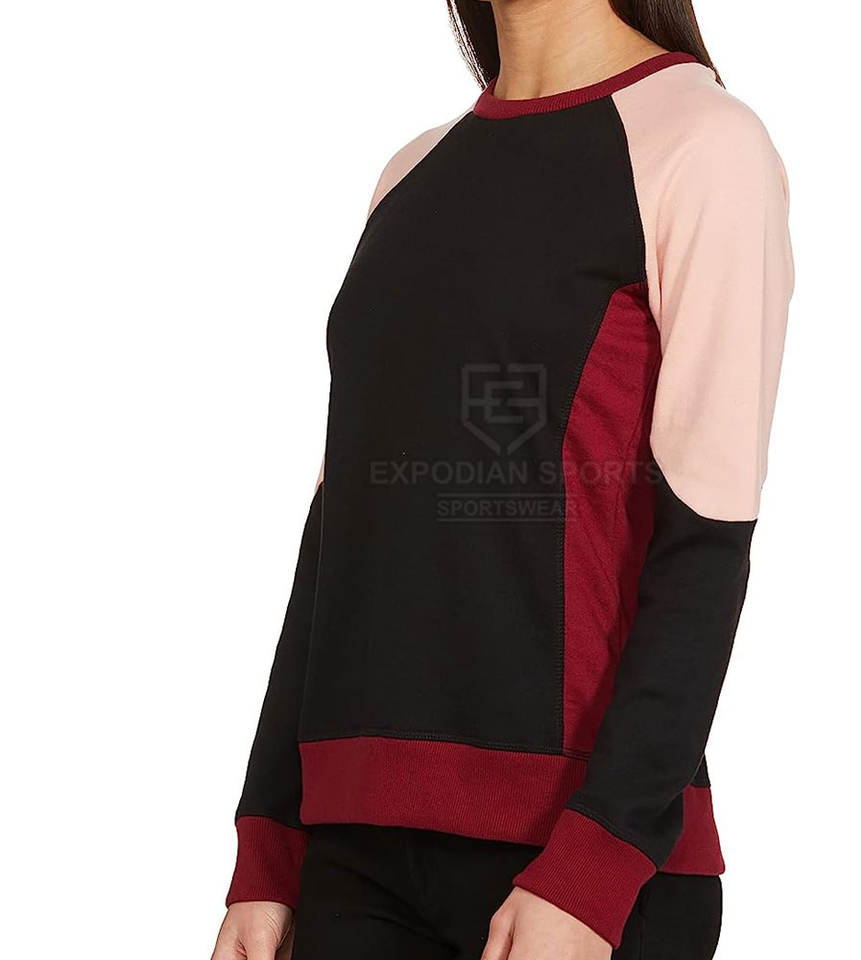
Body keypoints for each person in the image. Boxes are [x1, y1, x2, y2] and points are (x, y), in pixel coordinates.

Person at [211, 1, 793, 957]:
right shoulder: (411, 176)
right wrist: (267, 847)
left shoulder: (701, 142)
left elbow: (708, 541)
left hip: (574, 866)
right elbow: (336, 541)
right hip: (351, 858)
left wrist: (594, 867)